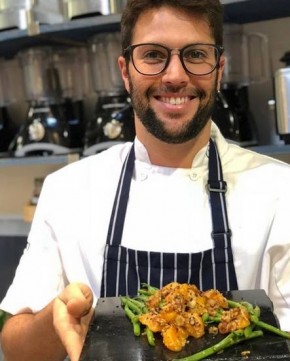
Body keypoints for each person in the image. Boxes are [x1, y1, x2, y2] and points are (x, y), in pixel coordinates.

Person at [1, 0, 290, 360]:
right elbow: (16, 350)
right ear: (125, 72)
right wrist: (56, 320)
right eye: (153, 55)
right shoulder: (67, 190)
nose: (174, 75)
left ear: (219, 70)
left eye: (196, 54)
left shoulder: (280, 191)